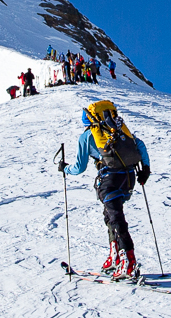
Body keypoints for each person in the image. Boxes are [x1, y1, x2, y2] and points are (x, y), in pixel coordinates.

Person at [63, 100, 152, 281]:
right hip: (129, 179)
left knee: (115, 218)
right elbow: (140, 145)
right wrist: (146, 169)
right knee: (111, 216)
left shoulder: (88, 136)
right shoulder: (119, 130)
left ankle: (127, 260)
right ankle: (116, 256)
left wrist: (64, 169)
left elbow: (79, 167)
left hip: (109, 179)